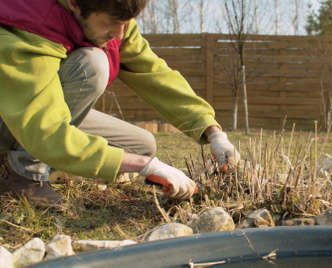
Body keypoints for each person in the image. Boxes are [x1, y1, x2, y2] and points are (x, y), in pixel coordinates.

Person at [0, 0, 240, 207]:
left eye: (125, 22)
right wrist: (143, 166)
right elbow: (45, 128)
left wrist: (213, 131)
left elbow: (155, 75)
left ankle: (54, 161)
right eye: (109, 23)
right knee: (93, 65)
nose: (118, 32)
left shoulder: (116, 23)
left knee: (141, 146)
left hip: (44, 112)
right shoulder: (30, 24)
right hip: (17, 114)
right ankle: (26, 174)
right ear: (74, 3)